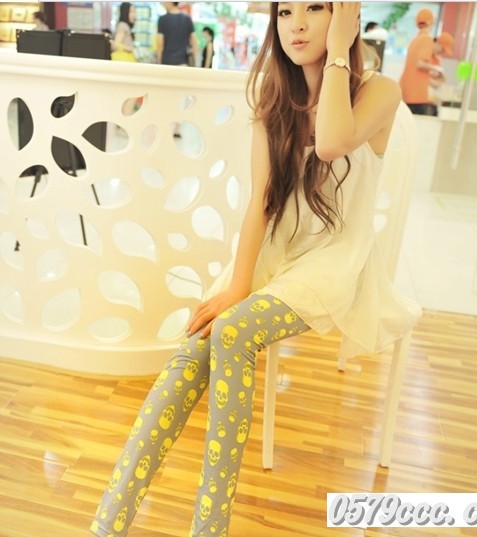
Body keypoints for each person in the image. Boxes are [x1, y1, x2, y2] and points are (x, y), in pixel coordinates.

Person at [89, 3, 420, 537]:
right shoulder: (274, 98)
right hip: (276, 255)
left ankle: (209, 527)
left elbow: (332, 142)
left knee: (234, 331)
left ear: (344, 15)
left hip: (335, 261)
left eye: (315, 8)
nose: (297, 24)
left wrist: (340, 50)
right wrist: (236, 284)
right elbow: (262, 201)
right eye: (285, 11)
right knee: (193, 350)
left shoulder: (380, 92)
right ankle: (107, 524)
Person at [399, 8, 452, 116]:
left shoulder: (415, 40)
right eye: (442, 49)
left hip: (406, 93)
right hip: (418, 97)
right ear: (432, 22)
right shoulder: (426, 40)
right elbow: (420, 64)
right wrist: (438, 69)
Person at [156, 2, 198, 66]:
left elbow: (160, 45)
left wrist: (159, 63)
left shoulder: (163, 20)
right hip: (183, 62)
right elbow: (194, 43)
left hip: (166, 63)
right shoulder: (187, 19)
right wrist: (195, 63)